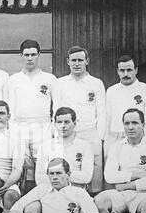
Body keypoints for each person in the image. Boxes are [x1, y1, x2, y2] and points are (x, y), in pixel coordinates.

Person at [53, 46, 106, 195]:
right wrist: (57, 133)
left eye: (80, 60)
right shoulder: (60, 83)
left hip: (91, 132)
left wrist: (100, 137)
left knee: (95, 166)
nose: (77, 64)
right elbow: (56, 110)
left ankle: (95, 198)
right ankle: (69, 198)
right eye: (73, 60)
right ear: (67, 62)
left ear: (87, 61)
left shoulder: (96, 83)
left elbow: (102, 111)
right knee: (70, 165)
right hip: (69, 133)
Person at [7, 39, 56, 193]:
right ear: (21, 55)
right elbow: (11, 107)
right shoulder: (13, 79)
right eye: (26, 55)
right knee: (25, 167)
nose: (30, 58)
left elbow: (56, 106)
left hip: (43, 126)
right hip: (21, 126)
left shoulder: (49, 79)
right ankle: (26, 198)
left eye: (33, 54)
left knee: (42, 164)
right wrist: (13, 129)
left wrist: (54, 129)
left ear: (38, 55)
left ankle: (44, 198)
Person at [105, 55, 146, 159]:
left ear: (136, 70)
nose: (126, 74)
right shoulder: (111, 91)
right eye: (122, 71)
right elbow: (107, 119)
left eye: (129, 70)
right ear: (118, 71)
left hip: (138, 139)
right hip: (115, 138)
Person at [36, 106, 94, 188]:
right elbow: (40, 178)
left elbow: (86, 177)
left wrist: (55, 175)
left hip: (75, 192)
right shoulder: (45, 146)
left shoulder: (85, 146)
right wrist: (66, 176)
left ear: (74, 123)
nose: (63, 126)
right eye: (59, 122)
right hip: (50, 191)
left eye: (66, 122)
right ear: (55, 124)